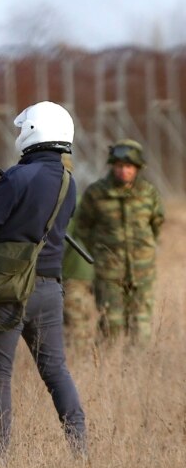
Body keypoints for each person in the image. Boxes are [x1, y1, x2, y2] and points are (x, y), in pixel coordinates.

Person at [0, 101, 87, 461]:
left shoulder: (19, 177)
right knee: (56, 371)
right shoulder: (69, 182)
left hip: (10, 290)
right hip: (50, 290)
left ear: (34, 132)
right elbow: (34, 219)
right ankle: (80, 449)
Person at [73, 139, 164, 344]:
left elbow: (156, 225)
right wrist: (100, 253)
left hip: (142, 272)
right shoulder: (97, 193)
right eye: (120, 166)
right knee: (110, 326)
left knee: (141, 328)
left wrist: (145, 252)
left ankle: (137, 370)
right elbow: (83, 227)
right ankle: (108, 368)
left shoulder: (148, 193)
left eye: (129, 167)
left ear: (137, 168)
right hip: (109, 272)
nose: (124, 171)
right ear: (113, 166)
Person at [61, 192, 96, 347]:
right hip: (89, 270)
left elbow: (61, 240)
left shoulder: (65, 202)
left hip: (73, 270)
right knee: (81, 317)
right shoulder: (85, 199)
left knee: (75, 320)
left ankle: (81, 359)